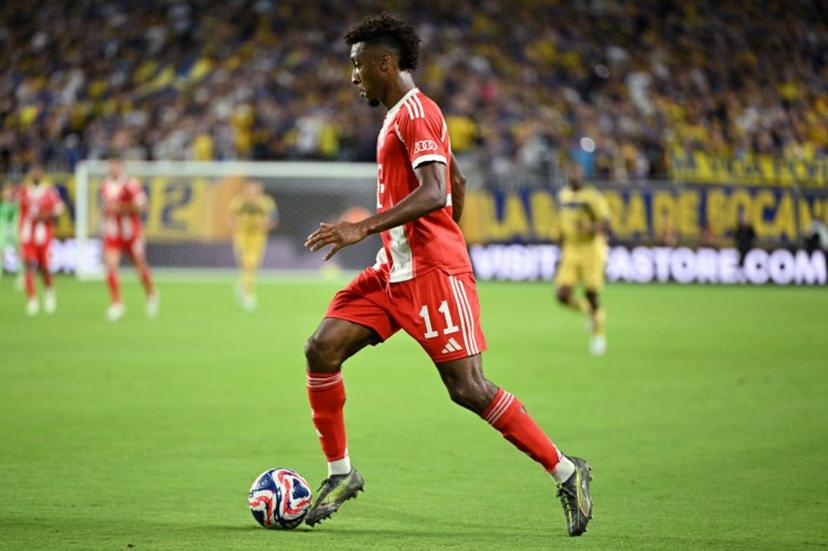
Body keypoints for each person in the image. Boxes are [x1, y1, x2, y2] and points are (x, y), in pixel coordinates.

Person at [302, 14, 593, 536]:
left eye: (357, 66)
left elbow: (437, 191)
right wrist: (422, 240)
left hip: (432, 275)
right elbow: (455, 180)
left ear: (384, 63)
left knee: (468, 389)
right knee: (321, 348)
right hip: (394, 272)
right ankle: (342, 474)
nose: (353, 77)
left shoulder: (418, 112)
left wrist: (374, 232)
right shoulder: (400, 116)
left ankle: (568, 471)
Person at [554, 160, 611, 356]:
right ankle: (588, 312)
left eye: (577, 172)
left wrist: (590, 228)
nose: (574, 176)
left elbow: (605, 223)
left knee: (591, 294)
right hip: (571, 249)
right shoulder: (563, 195)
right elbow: (562, 223)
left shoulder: (592, 197)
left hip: (590, 249)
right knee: (562, 295)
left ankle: (598, 335)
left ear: (582, 175)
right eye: (571, 172)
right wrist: (559, 247)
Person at [100, 159, 158, 321]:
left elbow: (142, 206)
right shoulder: (105, 185)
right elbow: (105, 207)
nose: (113, 169)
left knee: (140, 266)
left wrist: (121, 208)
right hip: (113, 233)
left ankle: (151, 295)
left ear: (121, 167)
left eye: (115, 166)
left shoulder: (131, 184)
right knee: (110, 266)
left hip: (131, 234)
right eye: (110, 166)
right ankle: (117, 304)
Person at [18, 166, 64, 315]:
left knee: (44, 268)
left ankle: (49, 293)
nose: (35, 174)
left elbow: (58, 211)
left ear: (42, 174)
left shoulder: (49, 191)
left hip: (43, 236)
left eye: (38, 171)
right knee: (28, 266)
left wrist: (46, 216)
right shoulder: (23, 191)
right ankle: (32, 300)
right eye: (33, 171)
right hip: (27, 236)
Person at [229, 180, 278, 311]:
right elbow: (232, 218)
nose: (252, 191)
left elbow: (272, 219)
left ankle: (245, 289)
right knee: (247, 264)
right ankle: (247, 292)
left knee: (251, 264)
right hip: (242, 235)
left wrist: (266, 224)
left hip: (258, 236)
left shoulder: (266, 202)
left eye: (255, 188)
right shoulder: (239, 202)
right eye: (249, 188)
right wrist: (235, 225)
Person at [0, 181, 20, 280]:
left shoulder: (14, 205)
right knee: (1, 253)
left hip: (14, 230)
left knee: (19, 252)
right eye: (5, 192)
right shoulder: (2, 205)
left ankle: (21, 276)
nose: (6, 194)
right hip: (2, 231)